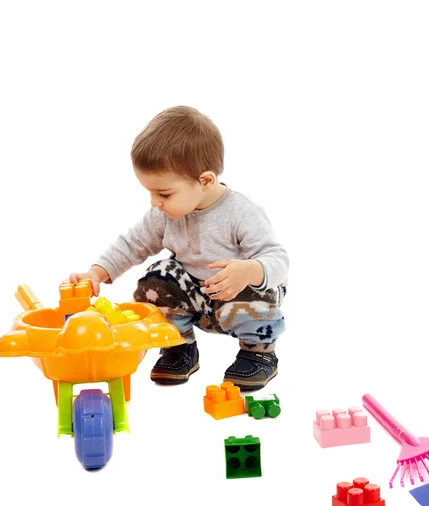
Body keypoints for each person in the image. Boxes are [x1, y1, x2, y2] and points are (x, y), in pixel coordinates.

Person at [68, 106, 288, 391]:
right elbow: (132, 244)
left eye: (164, 193)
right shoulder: (164, 215)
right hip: (195, 301)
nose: (154, 202)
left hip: (238, 300)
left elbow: (279, 259)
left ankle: (258, 352)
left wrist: (249, 270)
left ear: (205, 180)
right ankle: (179, 346)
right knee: (158, 274)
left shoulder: (242, 213)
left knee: (255, 284)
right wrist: (96, 273)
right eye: (151, 192)